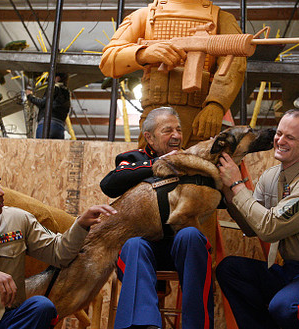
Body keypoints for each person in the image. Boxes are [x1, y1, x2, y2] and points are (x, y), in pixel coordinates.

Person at [0, 159, 117, 329]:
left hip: (10, 319)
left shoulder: (18, 219)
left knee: (42, 307)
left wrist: (81, 225)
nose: (0, 193)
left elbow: (59, 253)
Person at [216, 108, 299, 328]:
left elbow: (271, 229)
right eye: (279, 133)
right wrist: (227, 193)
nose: (280, 140)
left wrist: (236, 185)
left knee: (287, 306)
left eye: (290, 137)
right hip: (289, 271)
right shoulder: (271, 176)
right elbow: (253, 227)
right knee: (230, 269)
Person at [100, 107, 214, 329]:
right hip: (143, 250)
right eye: (168, 130)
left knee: (191, 236)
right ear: (149, 137)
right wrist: (161, 163)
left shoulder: (191, 161)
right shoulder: (135, 158)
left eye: (179, 130)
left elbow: (218, 199)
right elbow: (109, 184)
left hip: (182, 248)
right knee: (133, 245)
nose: (176, 136)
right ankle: (142, 326)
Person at [100, 0, 246, 148]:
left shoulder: (221, 18)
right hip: (156, 118)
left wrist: (216, 104)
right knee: (152, 168)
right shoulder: (145, 16)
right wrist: (144, 54)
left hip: (199, 118)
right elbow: (108, 61)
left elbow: (236, 64)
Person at [26, 73, 70, 139]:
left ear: (57, 78)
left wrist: (29, 96)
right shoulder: (67, 93)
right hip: (60, 127)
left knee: (41, 147)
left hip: (47, 124)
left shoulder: (54, 88)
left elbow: (43, 103)